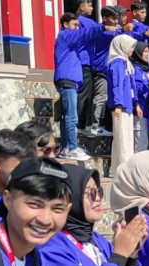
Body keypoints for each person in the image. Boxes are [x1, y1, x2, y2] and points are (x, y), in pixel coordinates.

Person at [53, 13, 115, 161]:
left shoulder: (71, 42)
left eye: (78, 25)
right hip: (66, 80)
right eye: (74, 25)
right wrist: (102, 27)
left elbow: (86, 37)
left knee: (67, 116)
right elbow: (85, 33)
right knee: (71, 117)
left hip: (71, 81)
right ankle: (72, 147)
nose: (77, 28)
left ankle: (66, 146)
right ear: (66, 25)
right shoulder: (65, 35)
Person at [86, 6, 123, 138]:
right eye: (113, 18)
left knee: (104, 98)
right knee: (100, 98)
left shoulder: (111, 32)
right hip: (100, 69)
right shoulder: (103, 32)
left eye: (116, 18)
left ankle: (100, 125)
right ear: (105, 18)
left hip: (107, 70)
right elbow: (121, 38)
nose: (115, 21)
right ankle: (95, 126)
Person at [107, 35, 140, 171]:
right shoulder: (117, 63)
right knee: (122, 139)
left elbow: (131, 87)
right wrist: (118, 105)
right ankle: (124, 169)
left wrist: (136, 103)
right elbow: (117, 85)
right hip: (121, 107)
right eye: (130, 46)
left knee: (125, 138)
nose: (132, 49)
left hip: (128, 106)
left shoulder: (127, 63)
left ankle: (116, 168)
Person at [75, 0, 96, 133]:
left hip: (86, 62)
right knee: (84, 95)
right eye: (89, 5)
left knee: (86, 94)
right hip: (84, 62)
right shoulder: (83, 21)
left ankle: (82, 124)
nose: (92, 8)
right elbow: (98, 30)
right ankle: (79, 125)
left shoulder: (83, 21)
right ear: (82, 7)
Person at [131, 41, 149, 153]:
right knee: (140, 145)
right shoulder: (136, 69)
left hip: (148, 111)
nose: (147, 54)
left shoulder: (147, 69)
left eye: (148, 51)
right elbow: (137, 89)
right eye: (145, 51)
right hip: (140, 110)